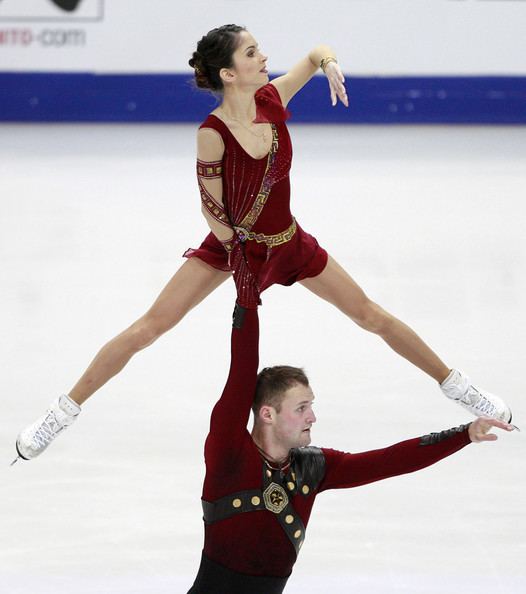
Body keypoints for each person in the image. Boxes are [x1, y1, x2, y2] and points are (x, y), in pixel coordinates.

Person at [13, 24, 511, 464]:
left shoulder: (273, 99)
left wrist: (331, 64)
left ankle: (461, 389)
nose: (263, 58)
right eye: (251, 53)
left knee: (370, 314)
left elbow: (316, 51)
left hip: (289, 242)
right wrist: (238, 255)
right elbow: (213, 208)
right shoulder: (212, 133)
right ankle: (60, 414)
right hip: (235, 247)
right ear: (229, 73)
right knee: (150, 328)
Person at [188, 302, 515, 593]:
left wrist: (466, 433)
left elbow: (389, 461)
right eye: (301, 408)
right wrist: (247, 301)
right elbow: (241, 369)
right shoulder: (230, 454)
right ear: (267, 414)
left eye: (311, 406)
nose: (312, 417)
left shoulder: (312, 468)